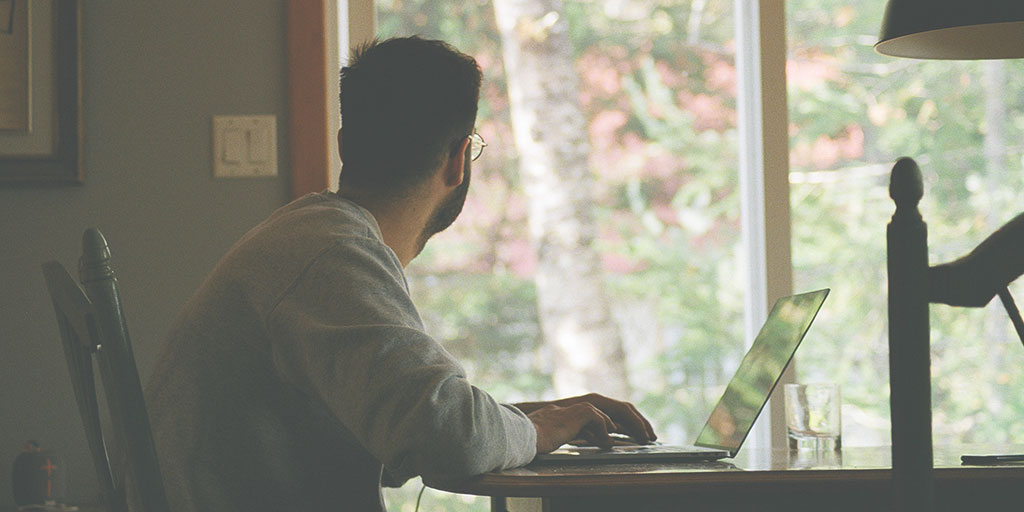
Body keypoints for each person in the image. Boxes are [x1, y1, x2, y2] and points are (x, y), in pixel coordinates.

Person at [139, 36, 655, 512]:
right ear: (458, 161)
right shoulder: (332, 254)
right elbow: (449, 439)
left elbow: (401, 424)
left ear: (344, 145)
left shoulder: (307, 238)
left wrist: (531, 419)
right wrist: (535, 432)